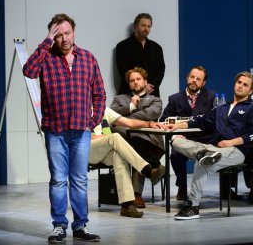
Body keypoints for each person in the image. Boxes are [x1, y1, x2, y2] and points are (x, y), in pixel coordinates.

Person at [23, 13, 105, 243]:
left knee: (79, 180)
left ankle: (81, 226)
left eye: (67, 33)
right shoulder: (46, 57)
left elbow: (99, 93)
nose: (64, 38)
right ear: (53, 37)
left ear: (74, 32)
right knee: (58, 180)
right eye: (58, 35)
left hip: (81, 130)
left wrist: (93, 121)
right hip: (55, 130)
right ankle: (59, 225)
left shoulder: (88, 58)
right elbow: (28, 71)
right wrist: (46, 41)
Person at [164, 71, 253, 220]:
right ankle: (202, 153)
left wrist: (231, 142)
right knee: (176, 140)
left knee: (202, 163)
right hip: (213, 148)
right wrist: (178, 126)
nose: (240, 86)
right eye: (239, 82)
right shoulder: (222, 108)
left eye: (245, 85)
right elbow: (201, 120)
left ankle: (193, 206)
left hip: (236, 150)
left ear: (250, 90)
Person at [89, 107, 166, 218]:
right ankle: (148, 171)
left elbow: (128, 122)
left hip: (103, 148)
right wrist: (90, 136)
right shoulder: (79, 106)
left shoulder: (102, 108)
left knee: (120, 155)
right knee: (115, 137)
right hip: (85, 148)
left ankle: (127, 205)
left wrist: (149, 124)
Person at [110, 67, 164, 208]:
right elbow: (110, 115)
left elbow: (149, 115)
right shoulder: (119, 98)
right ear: (129, 84)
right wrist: (131, 105)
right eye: (132, 80)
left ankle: (135, 194)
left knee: (130, 140)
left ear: (145, 82)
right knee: (120, 134)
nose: (135, 82)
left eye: (138, 79)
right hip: (129, 141)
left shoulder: (155, 100)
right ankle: (147, 176)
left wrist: (126, 118)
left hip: (149, 141)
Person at [159, 65, 215, 201]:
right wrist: (175, 130)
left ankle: (227, 189)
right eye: (192, 77)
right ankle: (182, 186)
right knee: (176, 154)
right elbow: (163, 120)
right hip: (183, 139)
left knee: (222, 150)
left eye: (198, 79)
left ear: (203, 83)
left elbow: (216, 120)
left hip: (204, 138)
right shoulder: (175, 99)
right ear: (187, 78)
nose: (194, 80)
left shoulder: (211, 96)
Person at [116, 13, 165, 97]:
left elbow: (161, 70)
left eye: (149, 26)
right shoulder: (122, 46)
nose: (146, 29)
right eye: (143, 25)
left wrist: (151, 86)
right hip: (129, 95)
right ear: (136, 26)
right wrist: (143, 86)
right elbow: (123, 71)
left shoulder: (157, 48)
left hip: (152, 94)